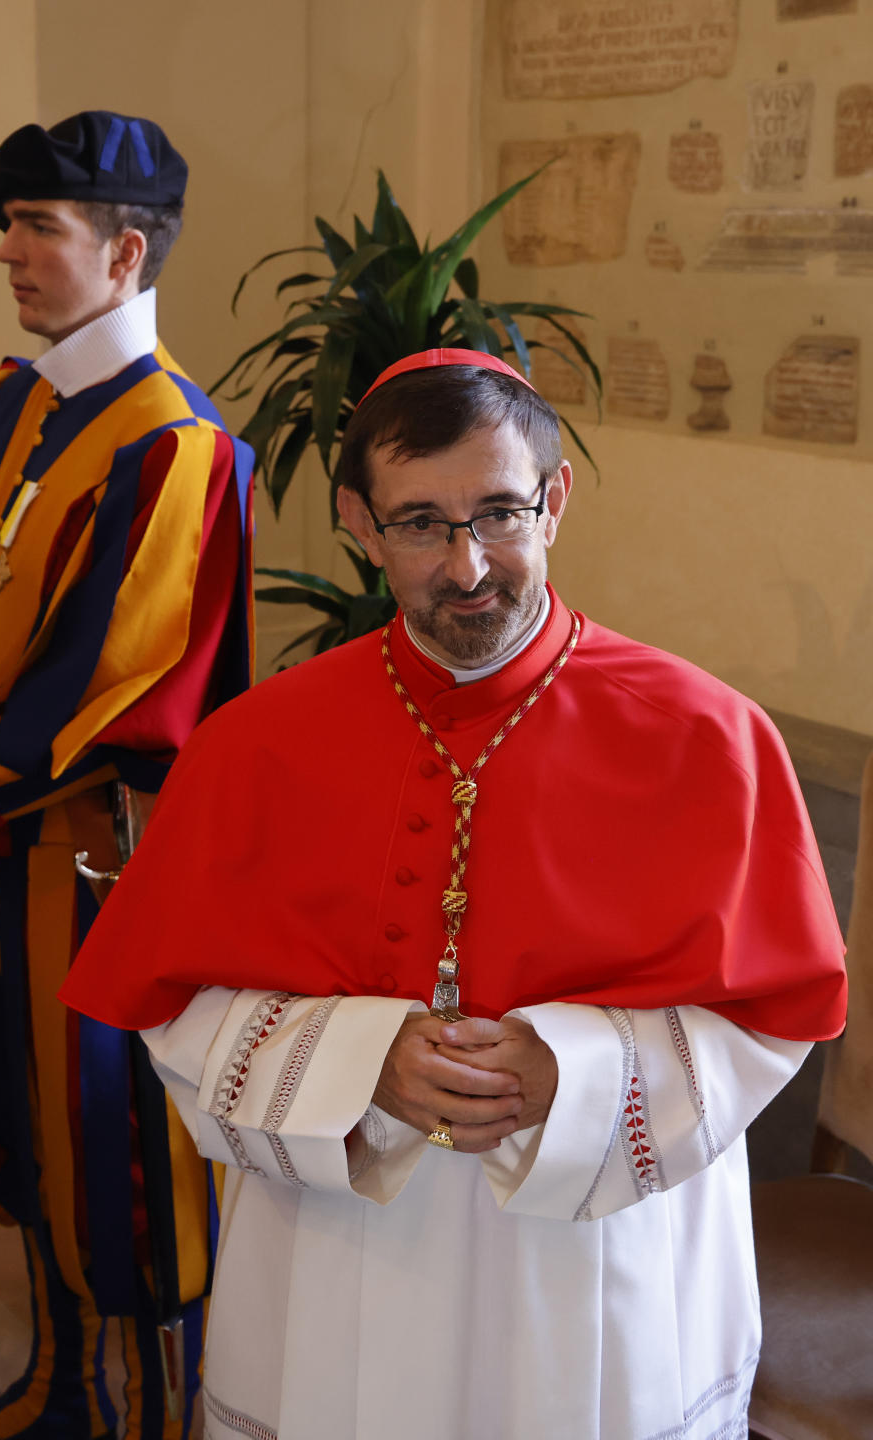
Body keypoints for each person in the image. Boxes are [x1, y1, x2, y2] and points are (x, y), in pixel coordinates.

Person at [61, 348, 846, 1440]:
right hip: (345, 1239)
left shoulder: (707, 736)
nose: (469, 566)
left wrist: (572, 1074)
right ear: (358, 522)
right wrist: (360, 1060)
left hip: (597, 1252)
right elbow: (171, 1008)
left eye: (500, 513)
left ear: (556, 500)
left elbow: (770, 1022)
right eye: (422, 523)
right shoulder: (254, 748)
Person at [0, 111, 253, 1440]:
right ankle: (69, 1389)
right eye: (8, 223)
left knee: (114, 1149)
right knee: (12, 1126)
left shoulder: (175, 446)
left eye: (36, 228)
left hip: (91, 859)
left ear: (125, 254)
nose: (8, 250)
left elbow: (106, 689)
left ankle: (158, 1415)